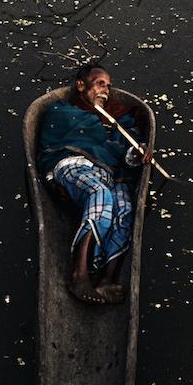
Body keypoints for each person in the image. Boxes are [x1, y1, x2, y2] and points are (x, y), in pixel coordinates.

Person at [37, 63, 152, 304]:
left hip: (108, 171)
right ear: (81, 85)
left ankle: (106, 279)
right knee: (100, 194)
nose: (106, 91)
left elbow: (124, 153)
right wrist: (104, 134)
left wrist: (136, 152)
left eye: (108, 87)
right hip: (73, 164)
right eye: (100, 83)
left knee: (125, 208)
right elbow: (65, 140)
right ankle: (79, 276)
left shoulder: (115, 121)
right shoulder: (62, 111)